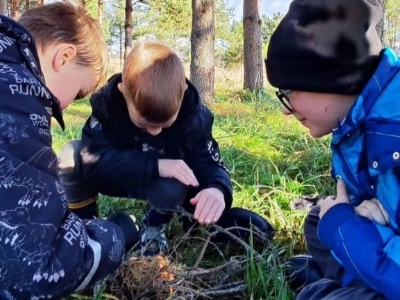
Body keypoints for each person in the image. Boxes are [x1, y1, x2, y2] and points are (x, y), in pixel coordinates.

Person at [59, 40, 275, 256]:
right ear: (123, 92)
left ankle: (154, 226)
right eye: (144, 124)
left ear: (182, 92)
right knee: (71, 154)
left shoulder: (194, 116)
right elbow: (92, 160)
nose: (154, 132)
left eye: (165, 124)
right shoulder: (107, 106)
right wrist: (156, 165)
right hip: (117, 176)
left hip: (161, 187)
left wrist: (217, 189)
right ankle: (83, 223)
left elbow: (209, 163)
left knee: (178, 178)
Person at [0, 2, 140, 298]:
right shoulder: (16, 92)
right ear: (64, 57)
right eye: (77, 93)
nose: (62, 107)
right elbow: (36, 268)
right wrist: (114, 235)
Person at [265, 0, 400, 299]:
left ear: (331, 78)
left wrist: (345, 227)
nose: (286, 111)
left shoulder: (394, 134)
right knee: (319, 220)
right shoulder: (359, 119)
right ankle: (350, 279)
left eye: (288, 91)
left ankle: (335, 287)